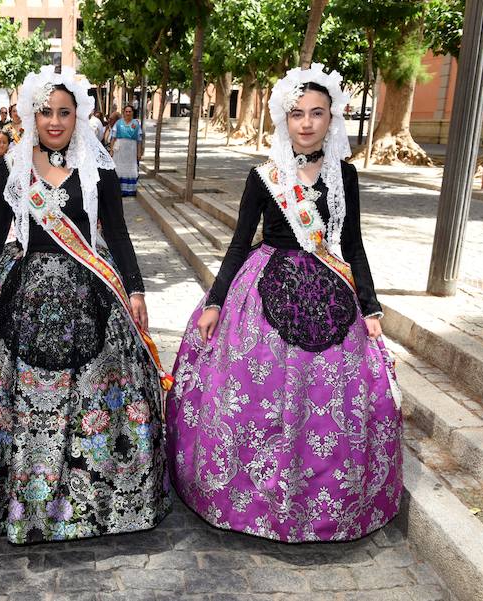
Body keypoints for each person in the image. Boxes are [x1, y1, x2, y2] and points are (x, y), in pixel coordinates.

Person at [0, 65, 172, 544]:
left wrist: (136, 289)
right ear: (31, 114)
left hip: (90, 290)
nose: (55, 121)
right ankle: (16, 499)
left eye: (65, 112)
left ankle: (90, 502)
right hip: (21, 288)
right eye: (46, 112)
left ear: (79, 115)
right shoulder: (12, 164)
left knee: (93, 394)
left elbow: (117, 234)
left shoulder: (98, 166)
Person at [165, 64, 402, 543]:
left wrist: (371, 308)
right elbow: (237, 243)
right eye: (298, 114)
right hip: (264, 289)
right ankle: (255, 499)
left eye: (317, 113)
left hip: (330, 295)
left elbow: (352, 245)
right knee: (261, 398)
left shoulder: (345, 177)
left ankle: (324, 501)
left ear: (332, 118)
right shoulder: (264, 176)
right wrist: (215, 301)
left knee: (329, 401)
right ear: (284, 119)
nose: (307, 123)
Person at [109, 105, 143, 198]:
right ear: (123, 112)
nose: (128, 113)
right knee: (119, 168)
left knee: (130, 168)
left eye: (130, 111)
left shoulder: (136, 124)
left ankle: (130, 190)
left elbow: (139, 140)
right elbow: (113, 137)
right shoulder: (118, 123)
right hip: (120, 149)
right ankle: (118, 189)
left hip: (131, 150)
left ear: (132, 112)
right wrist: (111, 150)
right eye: (126, 111)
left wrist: (139, 152)